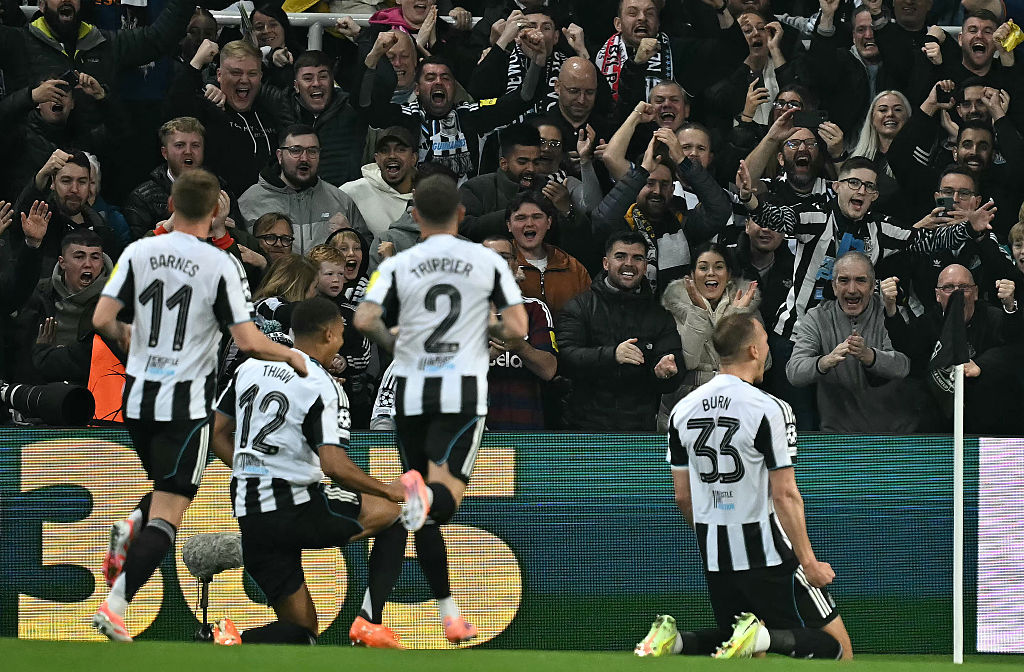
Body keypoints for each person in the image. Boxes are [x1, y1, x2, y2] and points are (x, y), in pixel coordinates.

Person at [90, 169, 309, 642]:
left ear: (170, 203)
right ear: (214, 213)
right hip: (185, 401)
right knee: (171, 508)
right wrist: (290, 353)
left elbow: (103, 318)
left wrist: (135, 343)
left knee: (163, 484)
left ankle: (131, 524)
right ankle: (116, 604)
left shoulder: (137, 252)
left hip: (138, 396)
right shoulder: (220, 265)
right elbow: (248, 340)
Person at [352, 174, 528, 647]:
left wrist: (398, 343)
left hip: (409, 391)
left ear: (414, 215)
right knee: (442, 500)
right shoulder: (486, 261)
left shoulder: (398, 263)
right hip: (461, 394)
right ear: (462, 214)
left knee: (418, 512)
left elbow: (364, 319)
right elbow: (517, 326)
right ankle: (424, 500)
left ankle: (439, 614)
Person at [209, 296, 428, 646]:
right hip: (296, 505)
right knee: (394, 516)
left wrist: (252, 470)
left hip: (252, 515)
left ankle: (228, 638)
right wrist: (388, 490)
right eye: (341, 334)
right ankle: (368, 622)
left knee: (302, 632)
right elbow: (334, 465)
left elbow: (217, 432)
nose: (341, 341)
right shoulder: (321, 384)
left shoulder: (250, 367)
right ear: (328, 333)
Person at [634, 312, 843, 660]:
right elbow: (785, 493)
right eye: (764, 342)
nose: (767, 349)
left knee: (742, 649)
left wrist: (715, 529)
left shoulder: (682, 410)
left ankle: (675, 640)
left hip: (716, 552)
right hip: (768, 550)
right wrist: (809, 561)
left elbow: (683, 497)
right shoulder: (770, 408)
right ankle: (763, 638)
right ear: (753, 351)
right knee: (837, 651)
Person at [556, 231, 683, 431]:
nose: (629, 264)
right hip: (583, 427)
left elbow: (674, 370)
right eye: (621, 256)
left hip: (639, 429)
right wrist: (612, 355)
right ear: (606, 263)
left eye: (637, 258)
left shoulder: (660, 315)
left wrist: (665, 373)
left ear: (645, 266)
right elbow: (564, 358)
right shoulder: (580, 306)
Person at [885, 263, 1024, 434]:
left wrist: (982, 365)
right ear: (937, 295)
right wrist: (891, 308)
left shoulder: (991, 316)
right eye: (949, 287)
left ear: (975, 293)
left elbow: (1016, 346)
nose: (957, 293)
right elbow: (907, 344)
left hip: (992, 421)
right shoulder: (930, 321)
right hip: (943, 424)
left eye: (964, 287)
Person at [786, 251, 915, 433]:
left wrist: (868, 355)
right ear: (834, 286)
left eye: (861, 280)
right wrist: (825, 361)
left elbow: (903, 366)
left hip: (893, 432)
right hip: (836, 433)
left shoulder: (891, 313)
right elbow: (794, 372)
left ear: (872, 287)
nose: (852, 289)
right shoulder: (817, 316)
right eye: (844, 280)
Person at [659, 243, 761, 429]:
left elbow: (762, 363)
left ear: (729, 275)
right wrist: (698, 312)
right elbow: (688, 360)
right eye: (703, 267)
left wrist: (735, 317)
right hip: (685, 405)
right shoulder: (673, 307)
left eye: (719, 267)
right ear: (691, 275)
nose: (711, 273)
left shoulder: (746, 306)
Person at [239, 125, 368, 255]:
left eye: (312, 151)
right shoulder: (250, 201)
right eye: (296, 150)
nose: (304, 158)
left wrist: (350, 236)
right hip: (273, 275)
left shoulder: (340, 200)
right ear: (279, 156)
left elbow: (367, 250)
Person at [14, 229, 111, 386]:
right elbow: (20, 352)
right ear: (62, 262)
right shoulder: (40, 294)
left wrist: (48, 354)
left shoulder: (114, 304)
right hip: (39, 392)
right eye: (79, 257)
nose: (88, 264)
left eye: (95, 257)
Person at [482, 234, 558, 431]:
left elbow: (549, 370)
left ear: (515, 264)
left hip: (524, 428)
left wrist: (520, 346)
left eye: (504, 258)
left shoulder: (535, 310)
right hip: (473, 431)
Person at [13, 148, 123, 274]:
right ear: (53, 183)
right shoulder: (40, 225)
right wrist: (41, 175)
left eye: (82, 182)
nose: (74, 189)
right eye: (66, 181)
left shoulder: (104, 231)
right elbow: (21, 216)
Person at [506, 191, 591, 318]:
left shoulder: (573, 268)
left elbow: (589, 316)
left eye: (537, 217)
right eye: (521, 218)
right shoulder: (497, 265)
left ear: (549, 222)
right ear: (509, 225)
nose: (529, 223)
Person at [460, 123, 544, 241]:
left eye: (536, 162)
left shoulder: (546, 188)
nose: (531, 168)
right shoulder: (475, 188)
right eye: (522, 162)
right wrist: (512, 214)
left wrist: (566, 209)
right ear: (504, 164)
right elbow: (463, 228)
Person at [340, 126, 417, 240]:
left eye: (400, 149)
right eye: (385, 151)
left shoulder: (429, 193)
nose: (392, 156)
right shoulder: (352, 192)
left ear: (413, 158)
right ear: (376, 158)